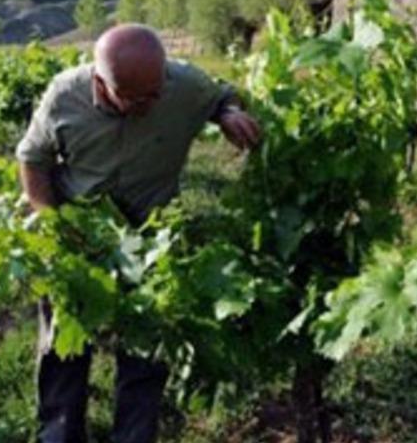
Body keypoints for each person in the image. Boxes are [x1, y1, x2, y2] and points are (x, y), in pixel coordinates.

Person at [15, 24, 261, 443]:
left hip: (151, 237)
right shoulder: (64, 95)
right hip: (80, 230)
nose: (156, 101)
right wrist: (54, 225)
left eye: (158, 89)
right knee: (64, 345)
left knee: (146, 349)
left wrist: (228, 113)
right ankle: (58, 434)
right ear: (102, 83)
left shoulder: (179, 83)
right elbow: (33, 159)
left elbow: (220, 95)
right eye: (140, 98)